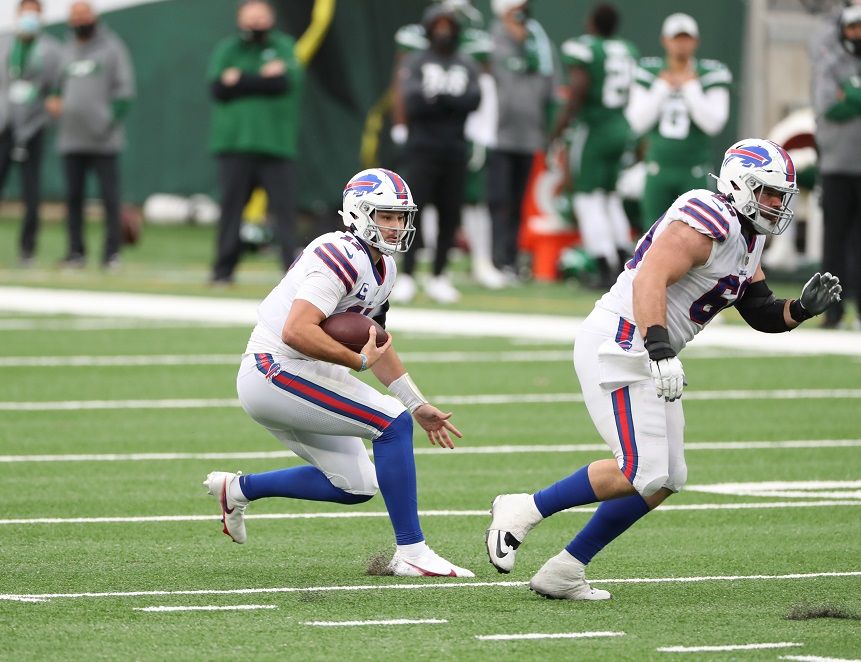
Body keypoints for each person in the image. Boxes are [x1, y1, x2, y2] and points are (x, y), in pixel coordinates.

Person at [485, 139, 842, 600]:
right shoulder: (708, 215)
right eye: (769, 193)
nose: (776, 204)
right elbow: (652, 276)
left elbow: (760, 310)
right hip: (621, 337)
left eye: (781, 196)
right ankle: (524, 508)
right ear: (739, 183)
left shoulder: (749, 237)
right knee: (640, 470)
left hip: (648, 343)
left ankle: (566, 569)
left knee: (666, 478)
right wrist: (658, 348)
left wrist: (800, 310)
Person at [204, 167, 474, 578]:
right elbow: (297, 330)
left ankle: (238, 490)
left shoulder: (386, 269)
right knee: (390, 423)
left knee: (357, 485)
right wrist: (354, 363)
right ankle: (413, 551)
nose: (396, 225)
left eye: (401, 216)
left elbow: (376, 343)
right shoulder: (338, 253)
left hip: (300, 373)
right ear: (359, 212)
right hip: (273, 368)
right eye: (386, 215)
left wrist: (416, 403)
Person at [389, 3, 481, 304]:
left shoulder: (465, 63)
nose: (444, 32)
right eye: (438, 26)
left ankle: (440, 275)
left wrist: (438, 100)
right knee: (412, 212)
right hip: (422, 148)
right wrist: (450, 101)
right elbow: (413, 100)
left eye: (448, 27)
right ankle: (407, 273)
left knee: (449, 214)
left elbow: (474, 99)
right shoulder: (417, 60)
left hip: (454, 149)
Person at [208, 0, 304, 285]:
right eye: (250, 18)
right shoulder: (228, 49)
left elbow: (283, 83)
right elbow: (217, 89)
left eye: (261, 18)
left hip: (276, 145)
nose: (256, 24)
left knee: (285, 213)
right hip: (235, 144)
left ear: (271, 19)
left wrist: (239, 81)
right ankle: (222, 271)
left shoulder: (284, 46)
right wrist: (260, 77)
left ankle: (294, 276)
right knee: (230, 210)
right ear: (239, 20)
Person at [551, 3, 638, 289]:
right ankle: (626, 259)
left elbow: (578, 90)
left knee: (587, 199)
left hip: (595, 128)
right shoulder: (626, 50)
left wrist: (558, 128)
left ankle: (603, 264)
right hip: (620, 126)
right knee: (610, 198)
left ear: (592, 23)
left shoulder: (587, 49)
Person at [46, 1, 134, 270]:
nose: (80, 19)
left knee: (110, 198)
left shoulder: (112, 47)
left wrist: (106, 123)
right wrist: (55, 100)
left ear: (94, 17)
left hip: (103, 140)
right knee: (73, 198)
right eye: (75, 15)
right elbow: (56, 87)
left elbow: (125, 92)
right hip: (71, 138)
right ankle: (76, 252)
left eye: (84, 14)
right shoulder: (66, 49)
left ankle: (111, 254)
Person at [626, 13, 732, 232]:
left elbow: (714, 124)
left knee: (697, 232)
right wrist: (661, 88)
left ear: (695, 41)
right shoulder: (650, 71)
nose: (681, 44)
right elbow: (636, 122)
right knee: (652, 234)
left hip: (694, 170)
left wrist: (691, 89)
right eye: (676, 38)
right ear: (665, 40)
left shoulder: (710, 73)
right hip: (657, 168)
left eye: (686, 38)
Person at [487, 0, 556, 282]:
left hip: (529, 135)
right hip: (499, 134)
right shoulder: (493, 39)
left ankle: (510, 259)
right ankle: (493, 258)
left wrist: (548, 130)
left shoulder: (539, 41)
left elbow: (551, 87)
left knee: (517, 203)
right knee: (498, 200)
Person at [0, 0, 62, 266]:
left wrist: (47, 104)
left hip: (33, 125)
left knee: (31, 191)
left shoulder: (51, 49)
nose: (29, 18)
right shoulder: (4, 44)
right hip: (4, 124)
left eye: (33, 14)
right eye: (25, 13)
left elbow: (56, 90)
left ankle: (27, 250)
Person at [811, 3, 861, 329]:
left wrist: (852, 94)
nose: (856, 34)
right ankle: (833, 311)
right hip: (836, 164)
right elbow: (828, 104)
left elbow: (845, 100)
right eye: (852, 27)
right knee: (835, 241)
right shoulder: (829, 62)